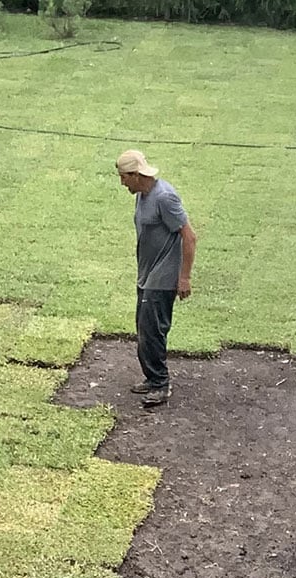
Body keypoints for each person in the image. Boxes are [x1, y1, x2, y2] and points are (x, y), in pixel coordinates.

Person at [115, 149, 195, 408]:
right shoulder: (141, 195)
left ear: (136, 175)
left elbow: (189, 236)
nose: (122, 183)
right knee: (143, 328)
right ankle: (152, 378)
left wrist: (184, 278)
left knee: (152, 331)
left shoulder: (164, 197)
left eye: (124, 177)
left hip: (162, 277)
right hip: (146, 274)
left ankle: (161, 384)